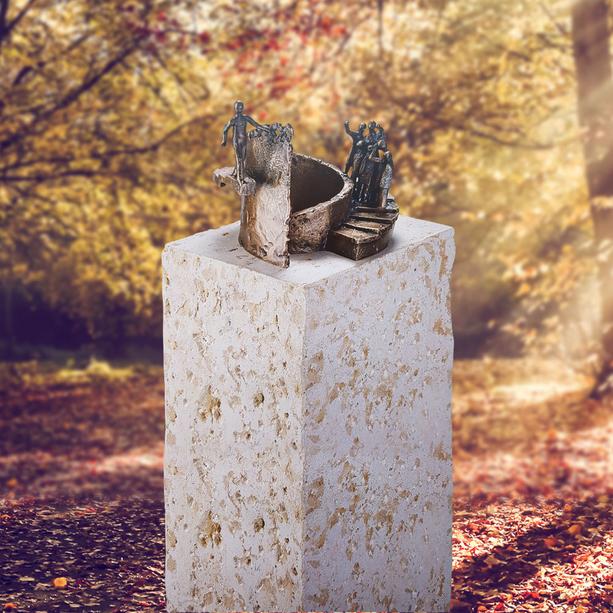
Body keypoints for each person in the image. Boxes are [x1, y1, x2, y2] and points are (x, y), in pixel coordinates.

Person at [221, 100, 268, 184]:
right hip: (237, 141)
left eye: (240, 107)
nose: (239, 108)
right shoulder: (234, 120)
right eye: (238, 107)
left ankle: (236, 172)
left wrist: (266, 129)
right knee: (239, 159)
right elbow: (225, 130)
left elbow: (256, 125)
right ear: (235, 108)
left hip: (244, 140)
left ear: (242, 108)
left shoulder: (246, 118)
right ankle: (240, 178)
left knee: (243, 158)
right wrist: (224, 140)